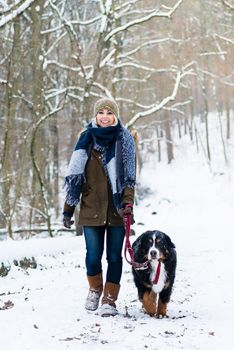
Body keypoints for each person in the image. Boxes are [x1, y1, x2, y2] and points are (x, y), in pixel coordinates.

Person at [63, 97, 136, 317]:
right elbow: (75, 178)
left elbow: (129, 179)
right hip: (90, 208)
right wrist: (68, 209)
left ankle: (109, 299)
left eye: (109, 112)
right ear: (96, 116)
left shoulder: (125, 141)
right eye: (101, 112)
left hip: (116, 209)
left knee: (114, 257)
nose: (105, 116)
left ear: (115, 116)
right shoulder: (85, 140)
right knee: (93, 255)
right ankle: (95, 289)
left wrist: (128, 203)